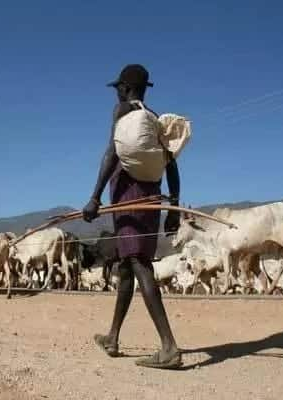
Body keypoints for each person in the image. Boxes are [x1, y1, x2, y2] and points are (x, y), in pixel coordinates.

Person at [82, 64, 183, 369]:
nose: (116, 93)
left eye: (118, 88)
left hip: (129, 198)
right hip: (153, 197)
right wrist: (173, 206)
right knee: (127, 265)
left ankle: (169, 348)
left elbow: (111, 153)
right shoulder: (153, 120)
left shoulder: (123, 112)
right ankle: (113, 337)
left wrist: (94, 196)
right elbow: (172, 164)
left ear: (125, 88)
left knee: (138, 263)